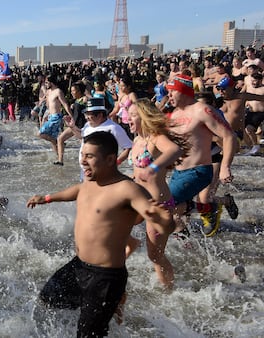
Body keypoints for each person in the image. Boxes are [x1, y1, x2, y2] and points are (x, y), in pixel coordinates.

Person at [26, 131, 173, 338]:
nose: (83, 161)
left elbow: (161, 224)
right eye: (82, 155)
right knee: (48, 299)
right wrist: (48, 198)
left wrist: (164, 220)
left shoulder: (128, 190)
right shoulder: (90, 181)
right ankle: (110, 308)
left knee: (88, 335)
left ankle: (113, 303)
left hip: (105, 278)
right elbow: (76, 191)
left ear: (111, 159)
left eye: (90, 157)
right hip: (78, 266)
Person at [165, 74, 237, 236]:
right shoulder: (174, 114)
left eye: (172, 91)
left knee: (167, 206)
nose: (169, 95)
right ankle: (187, 244)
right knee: (177, 211)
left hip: (198, 171)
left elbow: (229, 136)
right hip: (178, 172)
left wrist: (225, 167)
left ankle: (185, 238)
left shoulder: (202, 110)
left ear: (183, 91)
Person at [126, 98, 187, 290]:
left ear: (144, 117)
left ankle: (170, 291)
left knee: (155, 256)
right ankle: (126, 252)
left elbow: (174, 150)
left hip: (158, 206)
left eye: (133, 115)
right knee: (112, 229)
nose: (128, 118)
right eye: (128, 115)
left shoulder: (155, 138)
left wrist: (153, 167)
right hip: (137, 202)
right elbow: (137, 172)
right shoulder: (137, 140)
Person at [38, 75, 71, 157]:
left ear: (51, 82)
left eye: (46, 83)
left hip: (56, 117)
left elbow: (65, 104)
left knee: (40, 133)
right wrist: (47, 114)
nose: (45, 85)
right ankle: (59, 158)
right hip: (50, 116)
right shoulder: (49, 92)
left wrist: (71, 115)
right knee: (52, 137)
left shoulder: (58, 91)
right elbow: (50, 105)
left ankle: (57, 142)